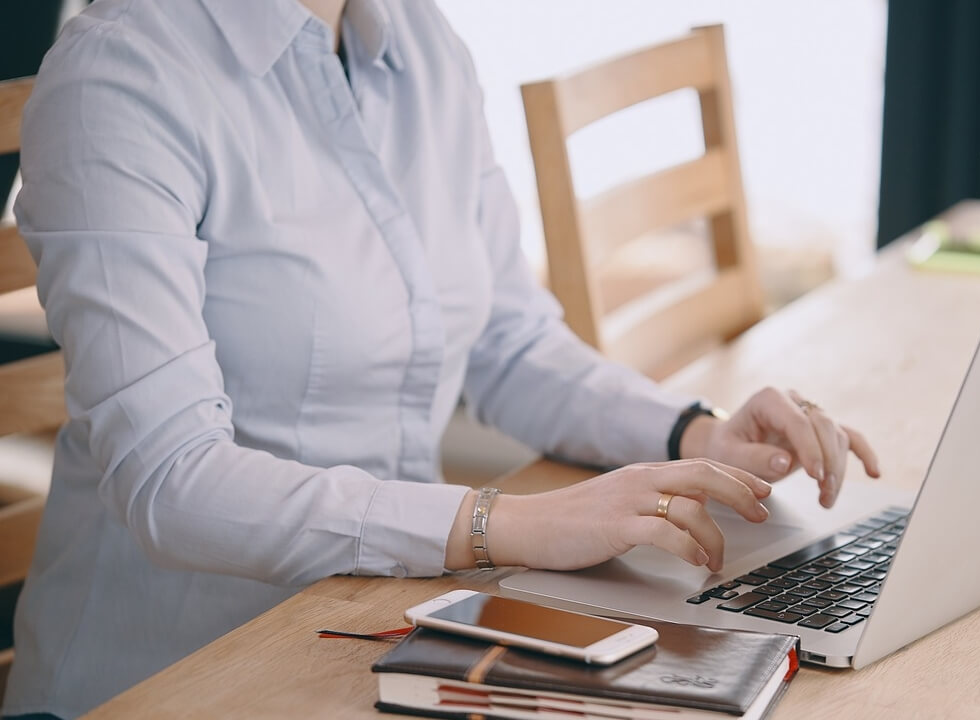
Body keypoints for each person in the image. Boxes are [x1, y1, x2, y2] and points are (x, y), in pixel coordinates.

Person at [0, 0, 880, 717]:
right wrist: (505, 523)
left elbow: (506, 338)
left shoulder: (422, 42)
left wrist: (694, 434)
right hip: (172, 679)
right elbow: (171, 481)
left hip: (386, 632)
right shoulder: (121, 77)